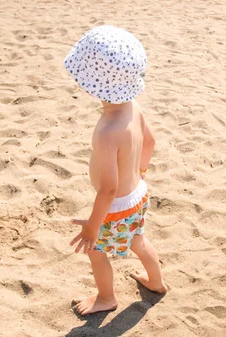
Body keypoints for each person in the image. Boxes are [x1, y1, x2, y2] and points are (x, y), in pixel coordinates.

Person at [64, 25, 168, 316]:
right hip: (137, 194)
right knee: (138, 240)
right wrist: (140, 171)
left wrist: (93, 226)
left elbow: (108, 189)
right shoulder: (133, 107)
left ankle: (106, 298)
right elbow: (150, 140)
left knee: (96, 251)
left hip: (116, 207)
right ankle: (156, 283)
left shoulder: (107, 131)